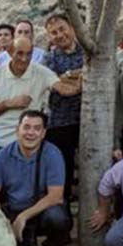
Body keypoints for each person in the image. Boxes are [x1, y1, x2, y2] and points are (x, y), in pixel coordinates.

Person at [0, 110, 71, 246]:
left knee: (57, 217)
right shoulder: (2, 155)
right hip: (11, 209)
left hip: (39, 211)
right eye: (27, 127)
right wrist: (1, 220)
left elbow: (56, 196)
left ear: (43, 133)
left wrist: (23, 216)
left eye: (37, 128)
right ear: (17, 130)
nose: (31, 133)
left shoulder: (53, 154)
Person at [0, 37, 59, 172]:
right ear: (9, 52)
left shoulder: (41, 72)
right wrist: (8, 104)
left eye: (29, 54)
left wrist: (81, 77)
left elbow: (62, 87)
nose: (24, 58)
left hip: (25, 144)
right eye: (19, 53)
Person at [40, 14, 85, 204]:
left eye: (62, 29)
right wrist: (73, 76)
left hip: (87, 120)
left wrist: (64, 77)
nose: (59, 35)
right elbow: (50, 81)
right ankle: (62, 210)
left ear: (72, 28)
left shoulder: (88, 52)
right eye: (54, 32)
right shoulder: (49, 58)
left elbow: (92, 73)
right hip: (60, 122)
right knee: (62, 169)